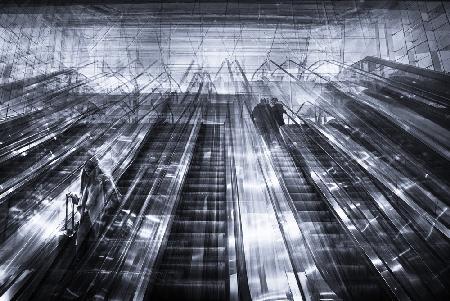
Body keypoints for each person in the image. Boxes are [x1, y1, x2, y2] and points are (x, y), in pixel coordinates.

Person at [72, 157, 121, 255]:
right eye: (85, 170)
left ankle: (91, 259)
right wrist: (77, 201)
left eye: (89, 170)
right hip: (87, 214)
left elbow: (114, 197)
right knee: (81, 237)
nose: (87, 172)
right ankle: (79, 259)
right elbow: (87, 200)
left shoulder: (104, 179)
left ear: (95, 168)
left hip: (100, 214)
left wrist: (107, 208)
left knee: (94, 238)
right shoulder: (88, 182)